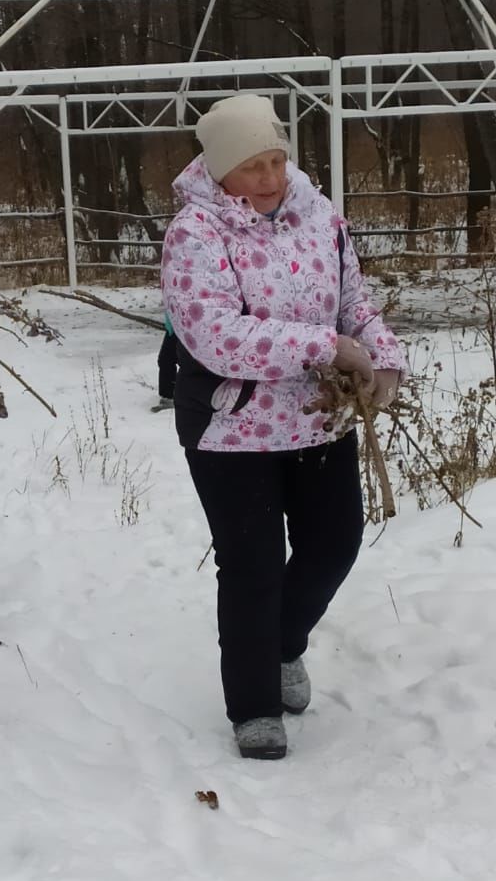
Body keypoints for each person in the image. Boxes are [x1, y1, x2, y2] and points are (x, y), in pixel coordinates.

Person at [161, 94, 407, 760]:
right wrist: (324, 348)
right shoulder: (195, 235)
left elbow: (353, 300)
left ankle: (282, 645)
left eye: (276, 160)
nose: (269, 177)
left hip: (318, 420)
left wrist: (381, 356)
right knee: (253, 566)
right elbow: (215, 336)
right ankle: (253, 706)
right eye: (252, 166)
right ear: (218, 173)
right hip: (232, 430)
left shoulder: (320, 217)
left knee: (335, 543)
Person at [153, 312, 177, 411]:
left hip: (185, 323)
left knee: (167, 359)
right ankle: (169, 395)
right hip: (174, 324)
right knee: (166, 359)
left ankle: (170, 397)